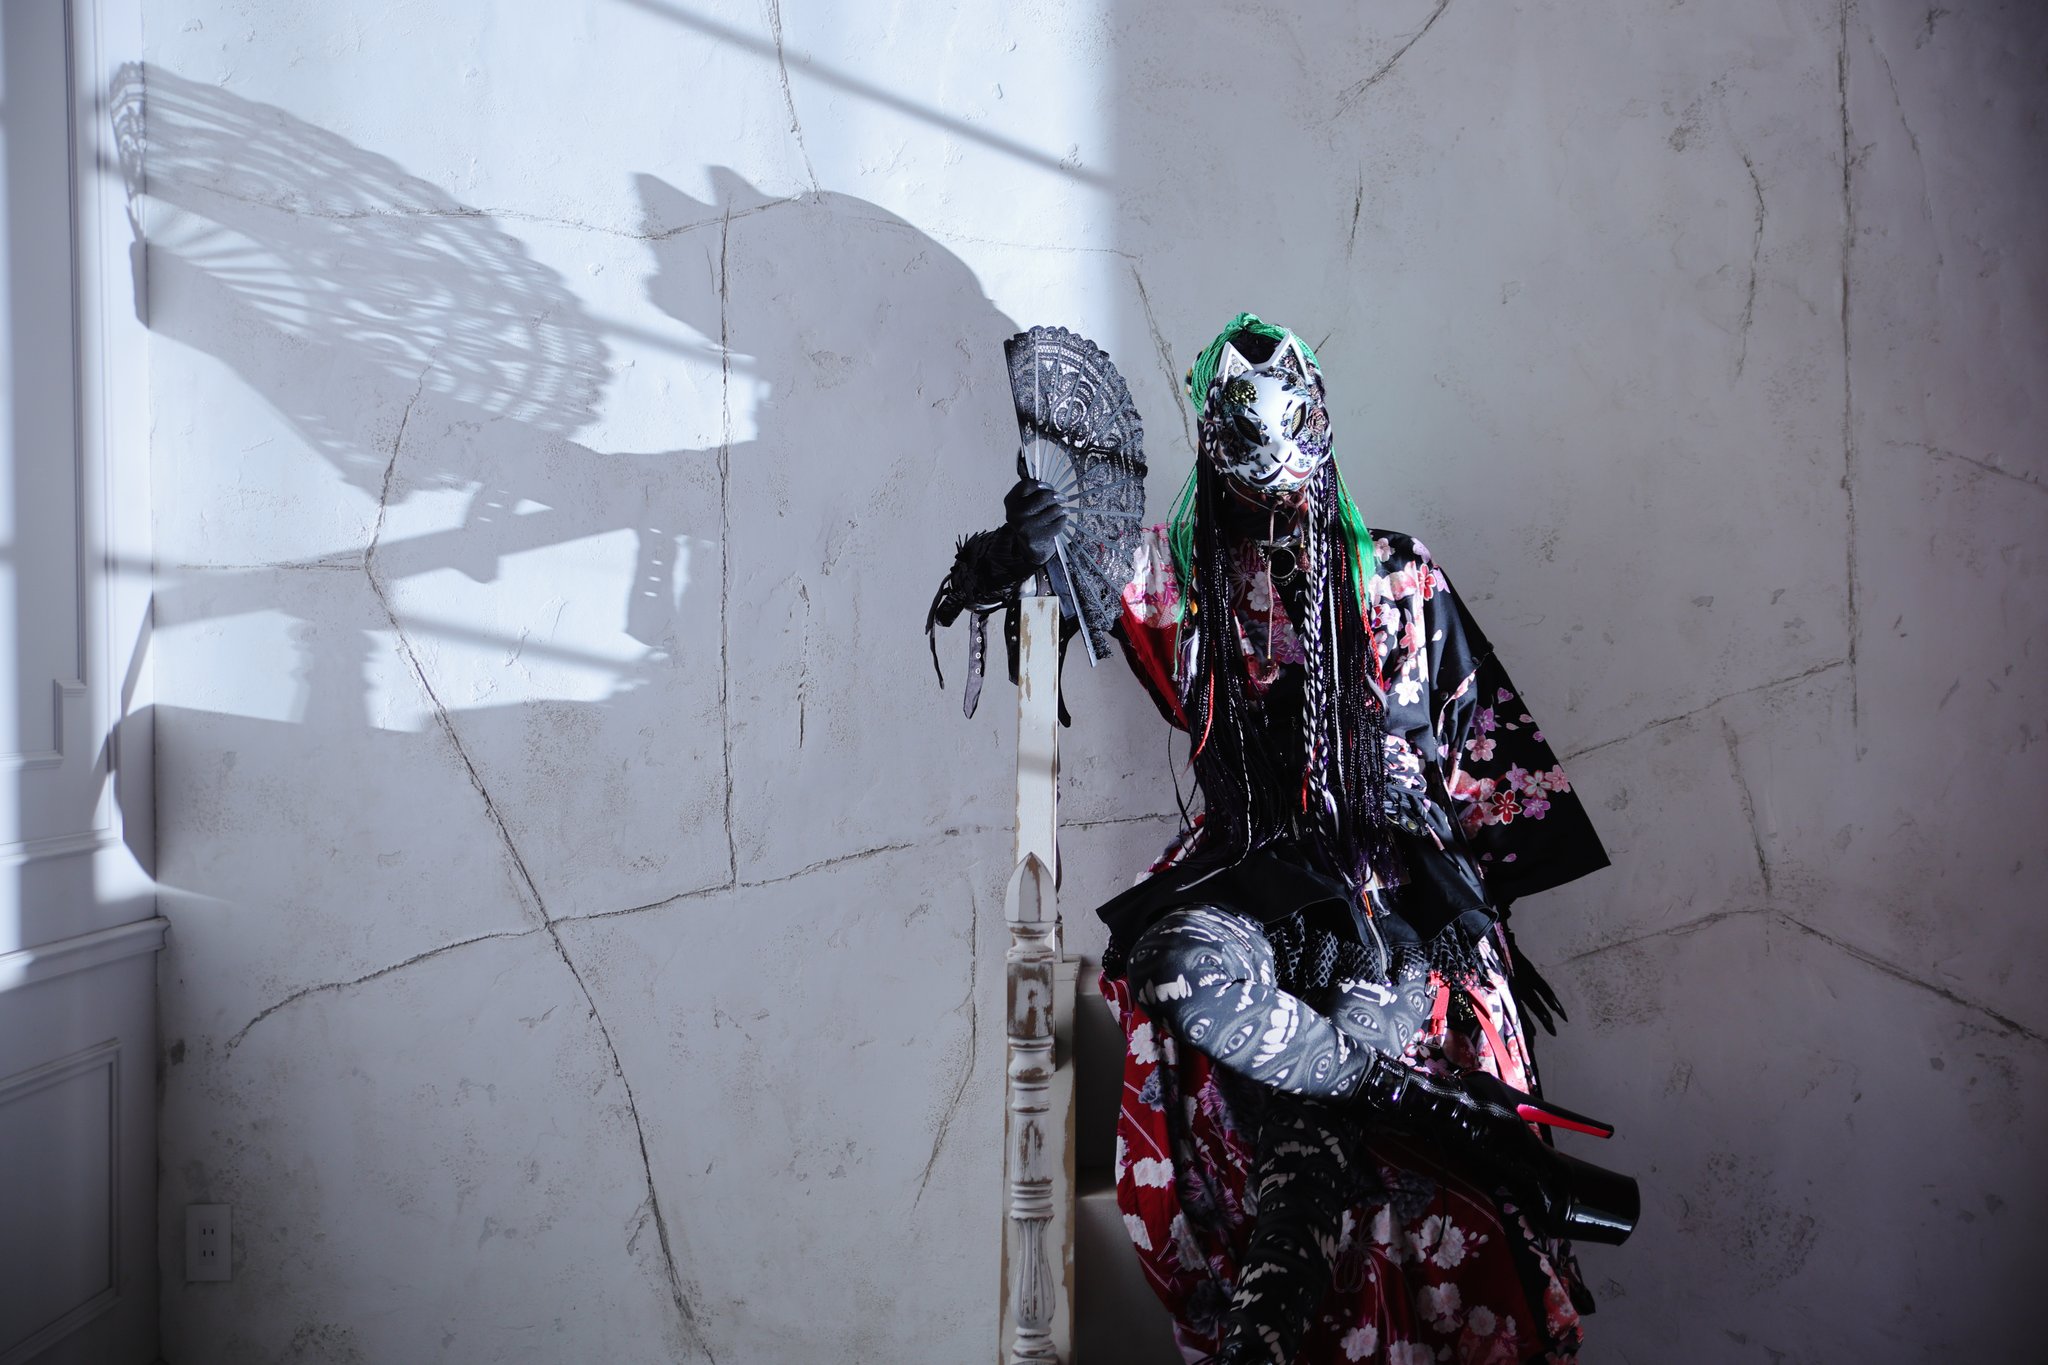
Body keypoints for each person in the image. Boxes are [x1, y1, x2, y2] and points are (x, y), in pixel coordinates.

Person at [935, 313, 1636, 1364]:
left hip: (1395, 895)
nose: (1273, 477)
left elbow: (1481, 769)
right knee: (1176, 970)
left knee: (1351, 1143)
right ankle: (1397, 1096)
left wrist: (1466, 936)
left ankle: (1297, 1269)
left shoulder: (1396, 573)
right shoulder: (1181, 581)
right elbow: (1053, 573)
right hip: (1252, 880)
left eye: (1291, 440)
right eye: (1246, 445)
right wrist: (1017, 544)